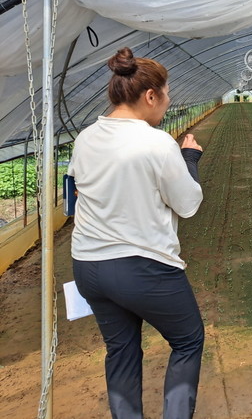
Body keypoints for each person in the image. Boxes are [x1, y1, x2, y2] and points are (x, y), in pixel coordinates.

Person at [68, 47, 205, 419]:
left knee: (121, 351)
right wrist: (189, 158)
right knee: (188, 341)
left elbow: (77, 192)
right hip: (141, 268)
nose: (168, 100)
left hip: (88, 266)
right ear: (150, 96)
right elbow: (187, 204)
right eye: (166, 93)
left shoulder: (86, 138)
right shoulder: (155, 142)